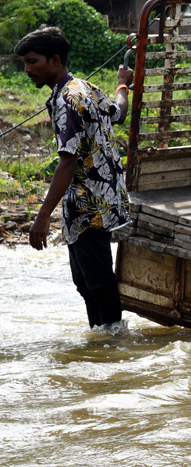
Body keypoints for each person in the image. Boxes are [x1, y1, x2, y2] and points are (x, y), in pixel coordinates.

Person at [17, 26, 133, 328]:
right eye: (25, 63)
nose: (27, 69)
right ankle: (101, 344)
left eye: (33, 61)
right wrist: (123, 84)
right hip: (97, 202)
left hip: (89, 206)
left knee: (98, 284)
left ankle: (112, 347)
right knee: (86, 283)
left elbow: (66, 164)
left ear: (54, 60)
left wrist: (43, 217)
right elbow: (119, 112)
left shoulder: (68, 99)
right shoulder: (85, 87)